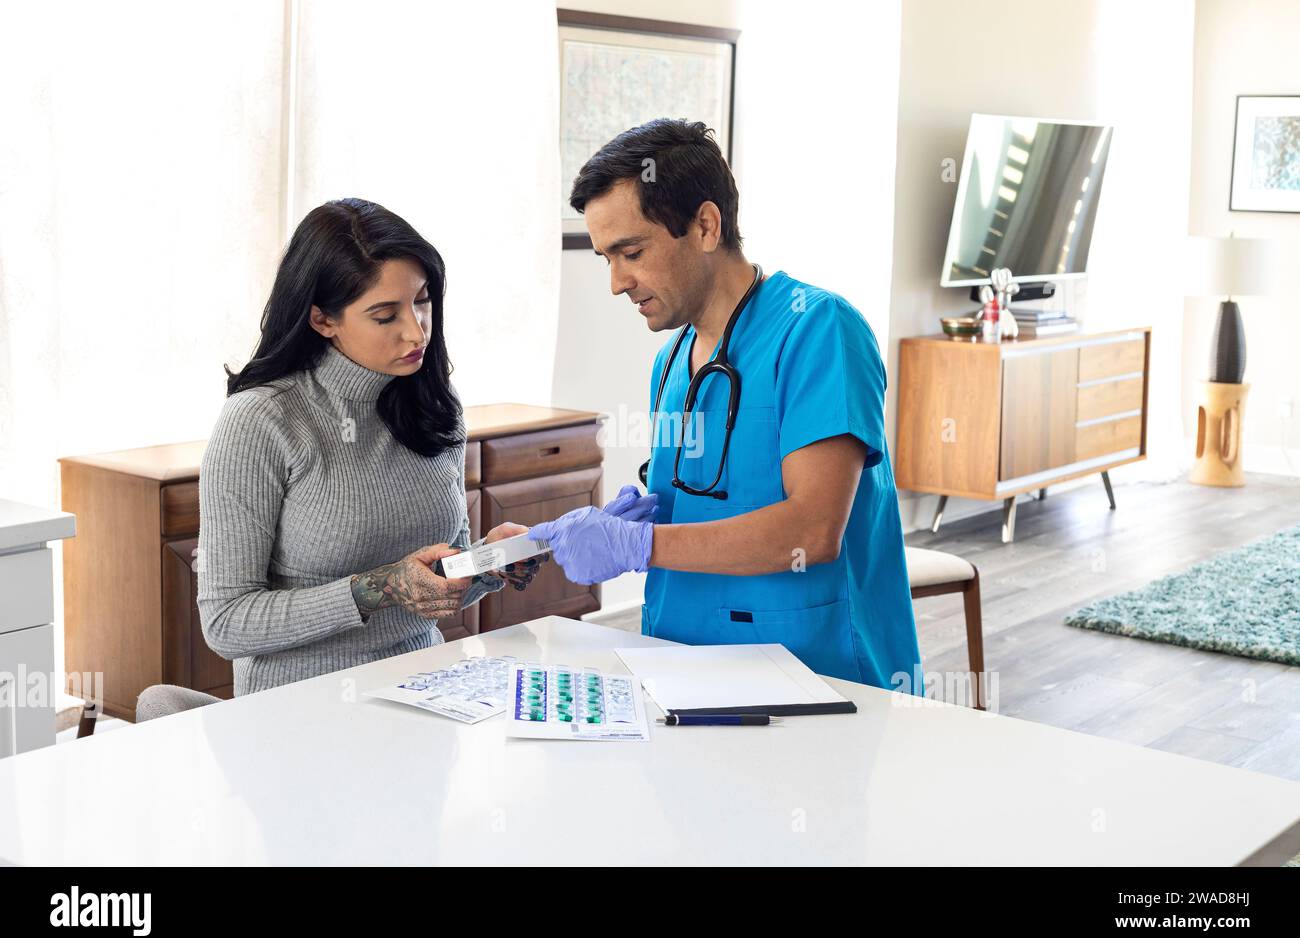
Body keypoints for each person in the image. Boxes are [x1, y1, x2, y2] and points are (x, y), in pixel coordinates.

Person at [529, 120, 921, 691]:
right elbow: (707, 506)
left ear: (706, 226)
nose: (617, 282)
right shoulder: (673, 361)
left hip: (813, 674)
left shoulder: (819, 331)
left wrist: (641, 544)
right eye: (605, 259)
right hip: (678, 663)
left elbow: (812, 530)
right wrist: (572, 535)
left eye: (630, 252)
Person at [198, 198, 540, 695]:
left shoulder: (434, 404)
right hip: (298, 709)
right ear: (322, 320)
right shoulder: (261, 421)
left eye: (422, 301)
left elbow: (432, 585)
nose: (416, 330)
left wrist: (486, 563)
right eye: (385, 316)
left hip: (424, 692)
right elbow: (226, 623)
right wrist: (377, 588)